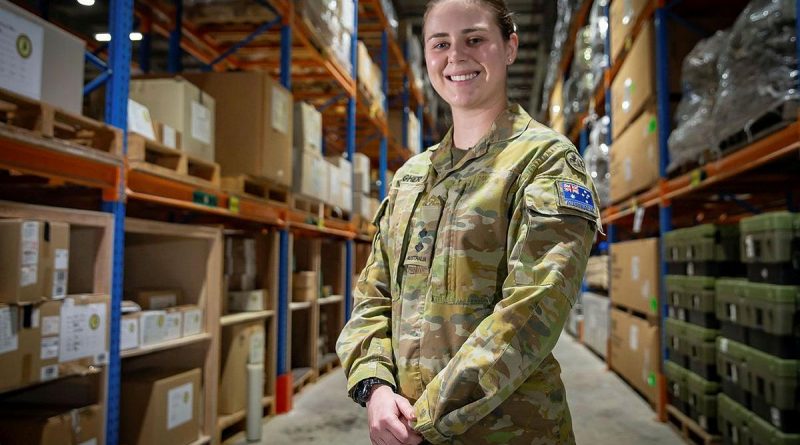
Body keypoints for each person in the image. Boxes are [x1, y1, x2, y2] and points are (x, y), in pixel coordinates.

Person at [336, 0, 601, 444]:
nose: (456, 57)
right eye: (440, 44)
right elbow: (373, 295)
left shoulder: (547, 161)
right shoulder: (411, 178)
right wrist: (376, 386)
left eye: (475, 39)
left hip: (510, 432)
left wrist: (425, 418)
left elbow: (532, 311)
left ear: (510, 47)